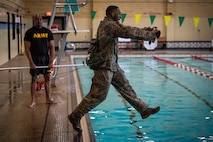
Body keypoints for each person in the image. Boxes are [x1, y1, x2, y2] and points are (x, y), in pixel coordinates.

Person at [68, 5, 160, 133]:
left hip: (112, 65)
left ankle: (144, 110)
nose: (120, 15)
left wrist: (146, 31)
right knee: (98, 96)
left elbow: (127, 28)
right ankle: (75, 116)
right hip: (104, 66)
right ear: (112, 14)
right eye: (119, 13)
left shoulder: (112, 24)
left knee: (126, 87)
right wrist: (149, 35)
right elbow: (127, 32)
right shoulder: (109, 26)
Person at [24, 14, 56, 108]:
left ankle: (48, 98)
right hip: (35, 58)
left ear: (42, 20)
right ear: (34, 20)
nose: (39, 21)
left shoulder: (47, 32)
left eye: (40, 19)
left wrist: (51, 61)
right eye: (37, 19)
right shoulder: (29, 32)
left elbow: (52, 47)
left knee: (47, 78)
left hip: (45, 58)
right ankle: (33, 101)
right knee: (34, 79)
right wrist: (31, 62)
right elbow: (27, 49)